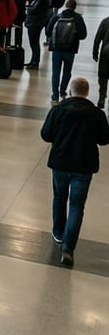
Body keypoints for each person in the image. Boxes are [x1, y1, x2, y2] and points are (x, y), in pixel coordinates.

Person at [40, 78, 109, 268]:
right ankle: (69, 248)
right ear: (87, 93)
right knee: (77, 205)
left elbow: (45, 134)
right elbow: (104, 139)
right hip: (84, 166)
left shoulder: (58, 110)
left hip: (60, 163)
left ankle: (58, 233)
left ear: (70, 91)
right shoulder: (97, 114)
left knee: (59, 198)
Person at [46, 0, 88, 103]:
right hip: (70, 50)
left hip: (56, 49)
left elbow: (47, 32)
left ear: (65, 5)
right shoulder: (78, 18)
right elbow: (83, 36)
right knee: (67, 72)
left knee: (55, 72)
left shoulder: (56, 17)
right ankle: (63, 91)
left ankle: (54, 95)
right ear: (75, 7)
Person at [23, 0, 51, 69]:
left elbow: (34, 10)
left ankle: (35, 62)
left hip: (35, 24)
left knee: (34, 43)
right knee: (33, 43)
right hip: (34, 23)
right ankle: (33, 61)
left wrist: (27, 7)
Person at [92, 14, 109, 107]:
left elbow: (97, 38)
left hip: (105, 54)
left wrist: (95, 52)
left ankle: (102, 98)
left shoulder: (105, 21)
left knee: (103, 77)